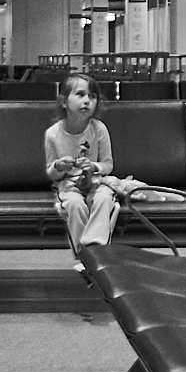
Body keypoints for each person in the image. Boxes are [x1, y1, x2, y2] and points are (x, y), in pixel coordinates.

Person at [44, 73, 128, 261]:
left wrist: (93, 166)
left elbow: (108, 165)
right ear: (64, 102)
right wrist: (59, 167)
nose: (87, 101)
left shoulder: (99, 129)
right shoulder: (53, 134)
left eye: (92, 96)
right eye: (80, 95)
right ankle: (83, 257)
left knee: (105, 199)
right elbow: (52, 173)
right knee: (74, 205)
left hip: (96, 182)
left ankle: (95, 253)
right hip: (69, 185)